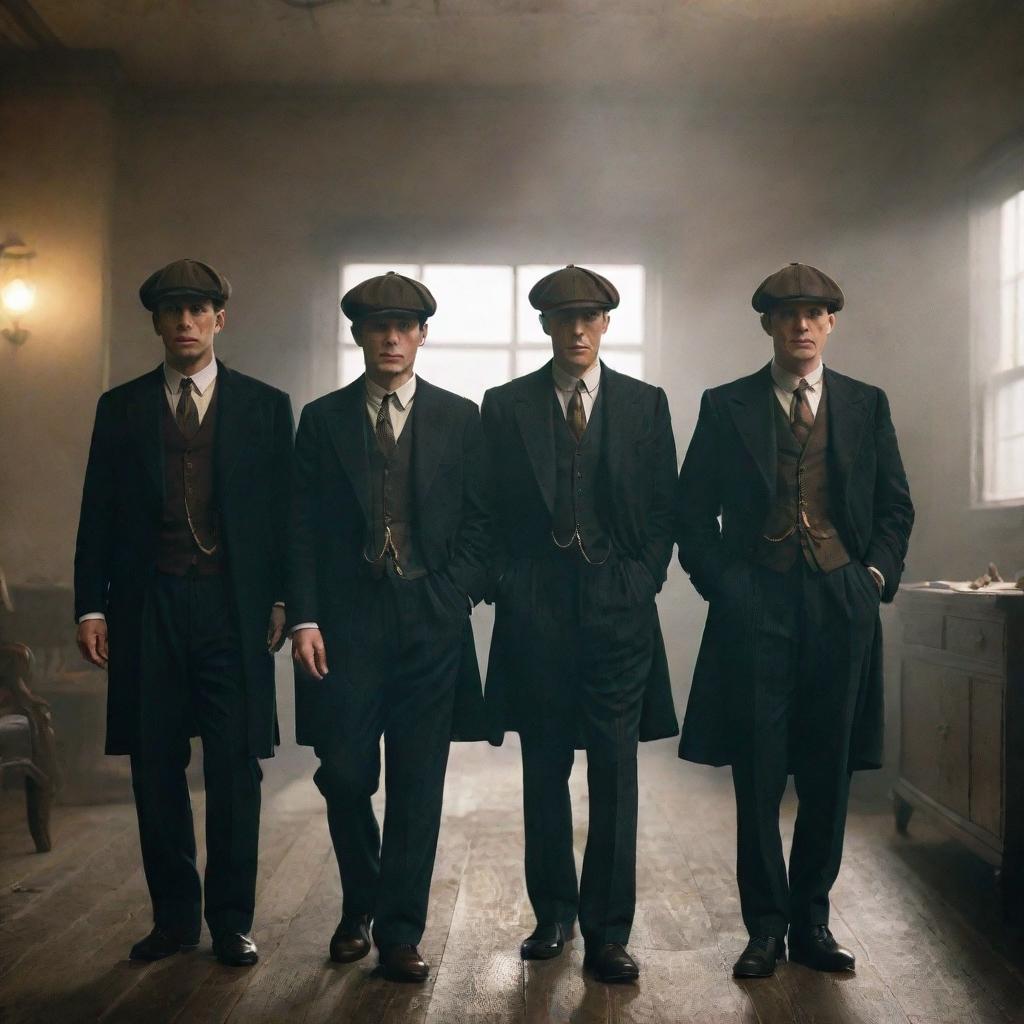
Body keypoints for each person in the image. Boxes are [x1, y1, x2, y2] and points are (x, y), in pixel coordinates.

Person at [675, 263, 914, 977]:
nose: (801, 325)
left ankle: (813, 920)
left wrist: (871, 576)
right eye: (787, 314)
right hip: (757, 606)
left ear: (831, 323)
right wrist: (726, 584)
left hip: (841, 605)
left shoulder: (866, 404)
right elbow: (691, 512)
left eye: (814, 313)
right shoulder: (727, 406)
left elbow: (896, 507)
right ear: (769, 325)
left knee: (827, 770)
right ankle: (766, 927)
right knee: (758, 771)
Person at [74, 258, 294, 966]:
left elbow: (286, 518)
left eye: (199, 310)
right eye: (173, 312)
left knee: (235, 766)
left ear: (220, 319)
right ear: (158, 324)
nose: (186, 323)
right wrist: (89, 607)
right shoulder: (122, 407)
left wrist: (286, 599)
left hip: (233, 608)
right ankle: (174, 918)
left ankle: (231, 920)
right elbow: (96, 517)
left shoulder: (265, 406)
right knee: (155, 762)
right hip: (147, 606)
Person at [288, 271, 489, 982]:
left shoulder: (462, 418)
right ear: (360, 336)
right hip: (344, 625)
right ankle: (360, 898)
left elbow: (481, 522)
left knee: (417, 781)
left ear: (422, 336)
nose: (391, 338)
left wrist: (452, 593)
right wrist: (306, 616)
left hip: (429, 619)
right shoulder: (322, 419)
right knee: (343, 771)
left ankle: (398, 931)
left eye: (404, 327)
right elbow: (301, 529)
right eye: (378, 327)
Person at [482, 265, 678, 983]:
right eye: (564, 319)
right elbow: (487, 511)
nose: (577, 330)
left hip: (619, 613)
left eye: (589, 317)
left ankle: (607, 932)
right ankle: (553, 915)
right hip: (535, 614)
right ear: (545, 327)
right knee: (544, 769)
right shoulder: (504, 407)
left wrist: (640, 579)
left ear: (605, 324)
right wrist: (510, 583)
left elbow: (665, 514)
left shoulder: (644, 405)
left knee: (615, 772)